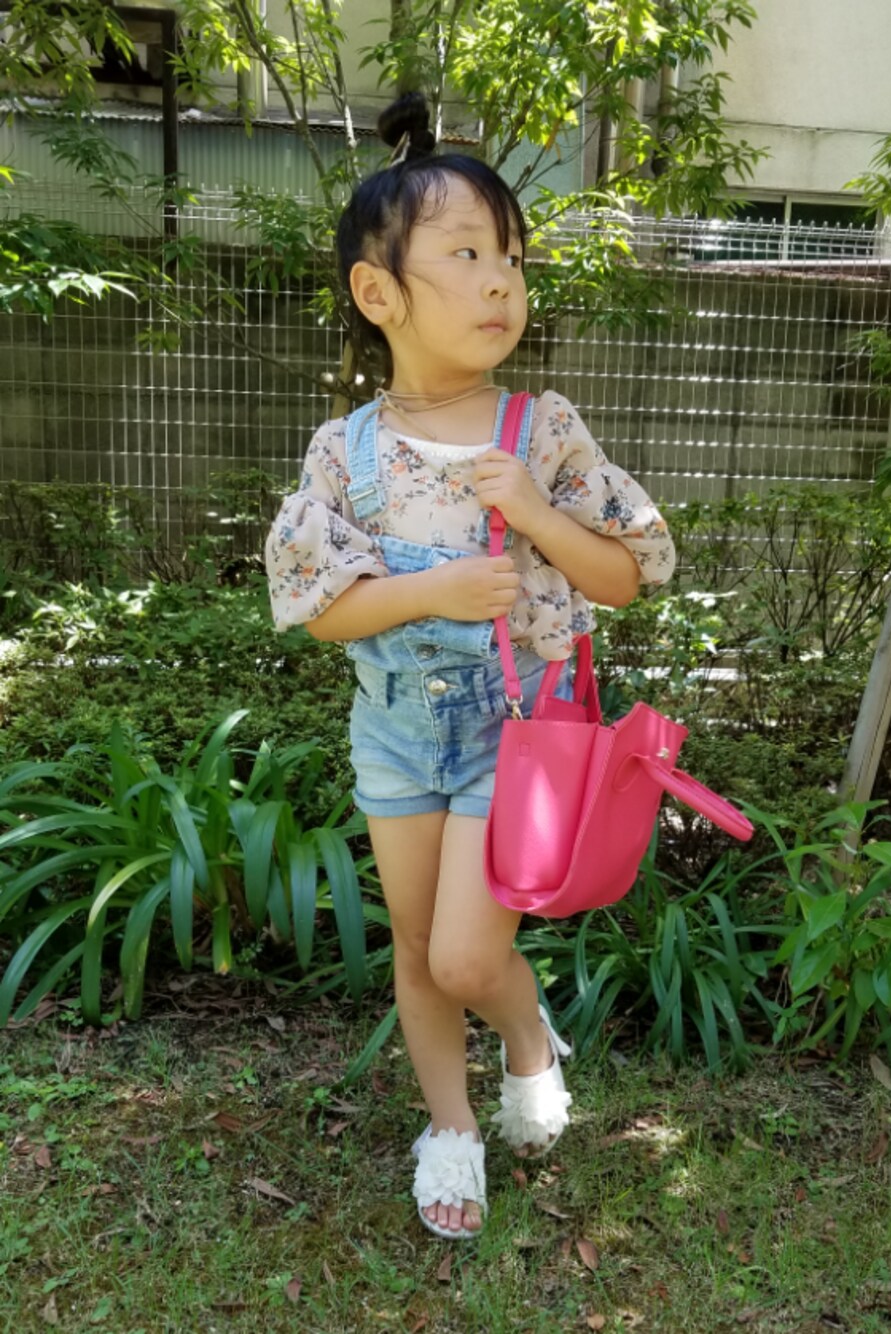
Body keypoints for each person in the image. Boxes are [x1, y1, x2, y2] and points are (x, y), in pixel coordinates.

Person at [266, 92, 676, 1241]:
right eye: (465, 254)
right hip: (395, 728)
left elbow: (627, 574)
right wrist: (430, 590)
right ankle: (449, 1126)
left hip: (517, 732)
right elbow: (318, 606)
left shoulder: (539, 429)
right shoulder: (343, 452)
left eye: (509, 258)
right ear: (378, 293)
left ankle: (528, 1034)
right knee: (414, 947)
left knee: (461, 953)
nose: (500, 281)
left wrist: (538, 514)